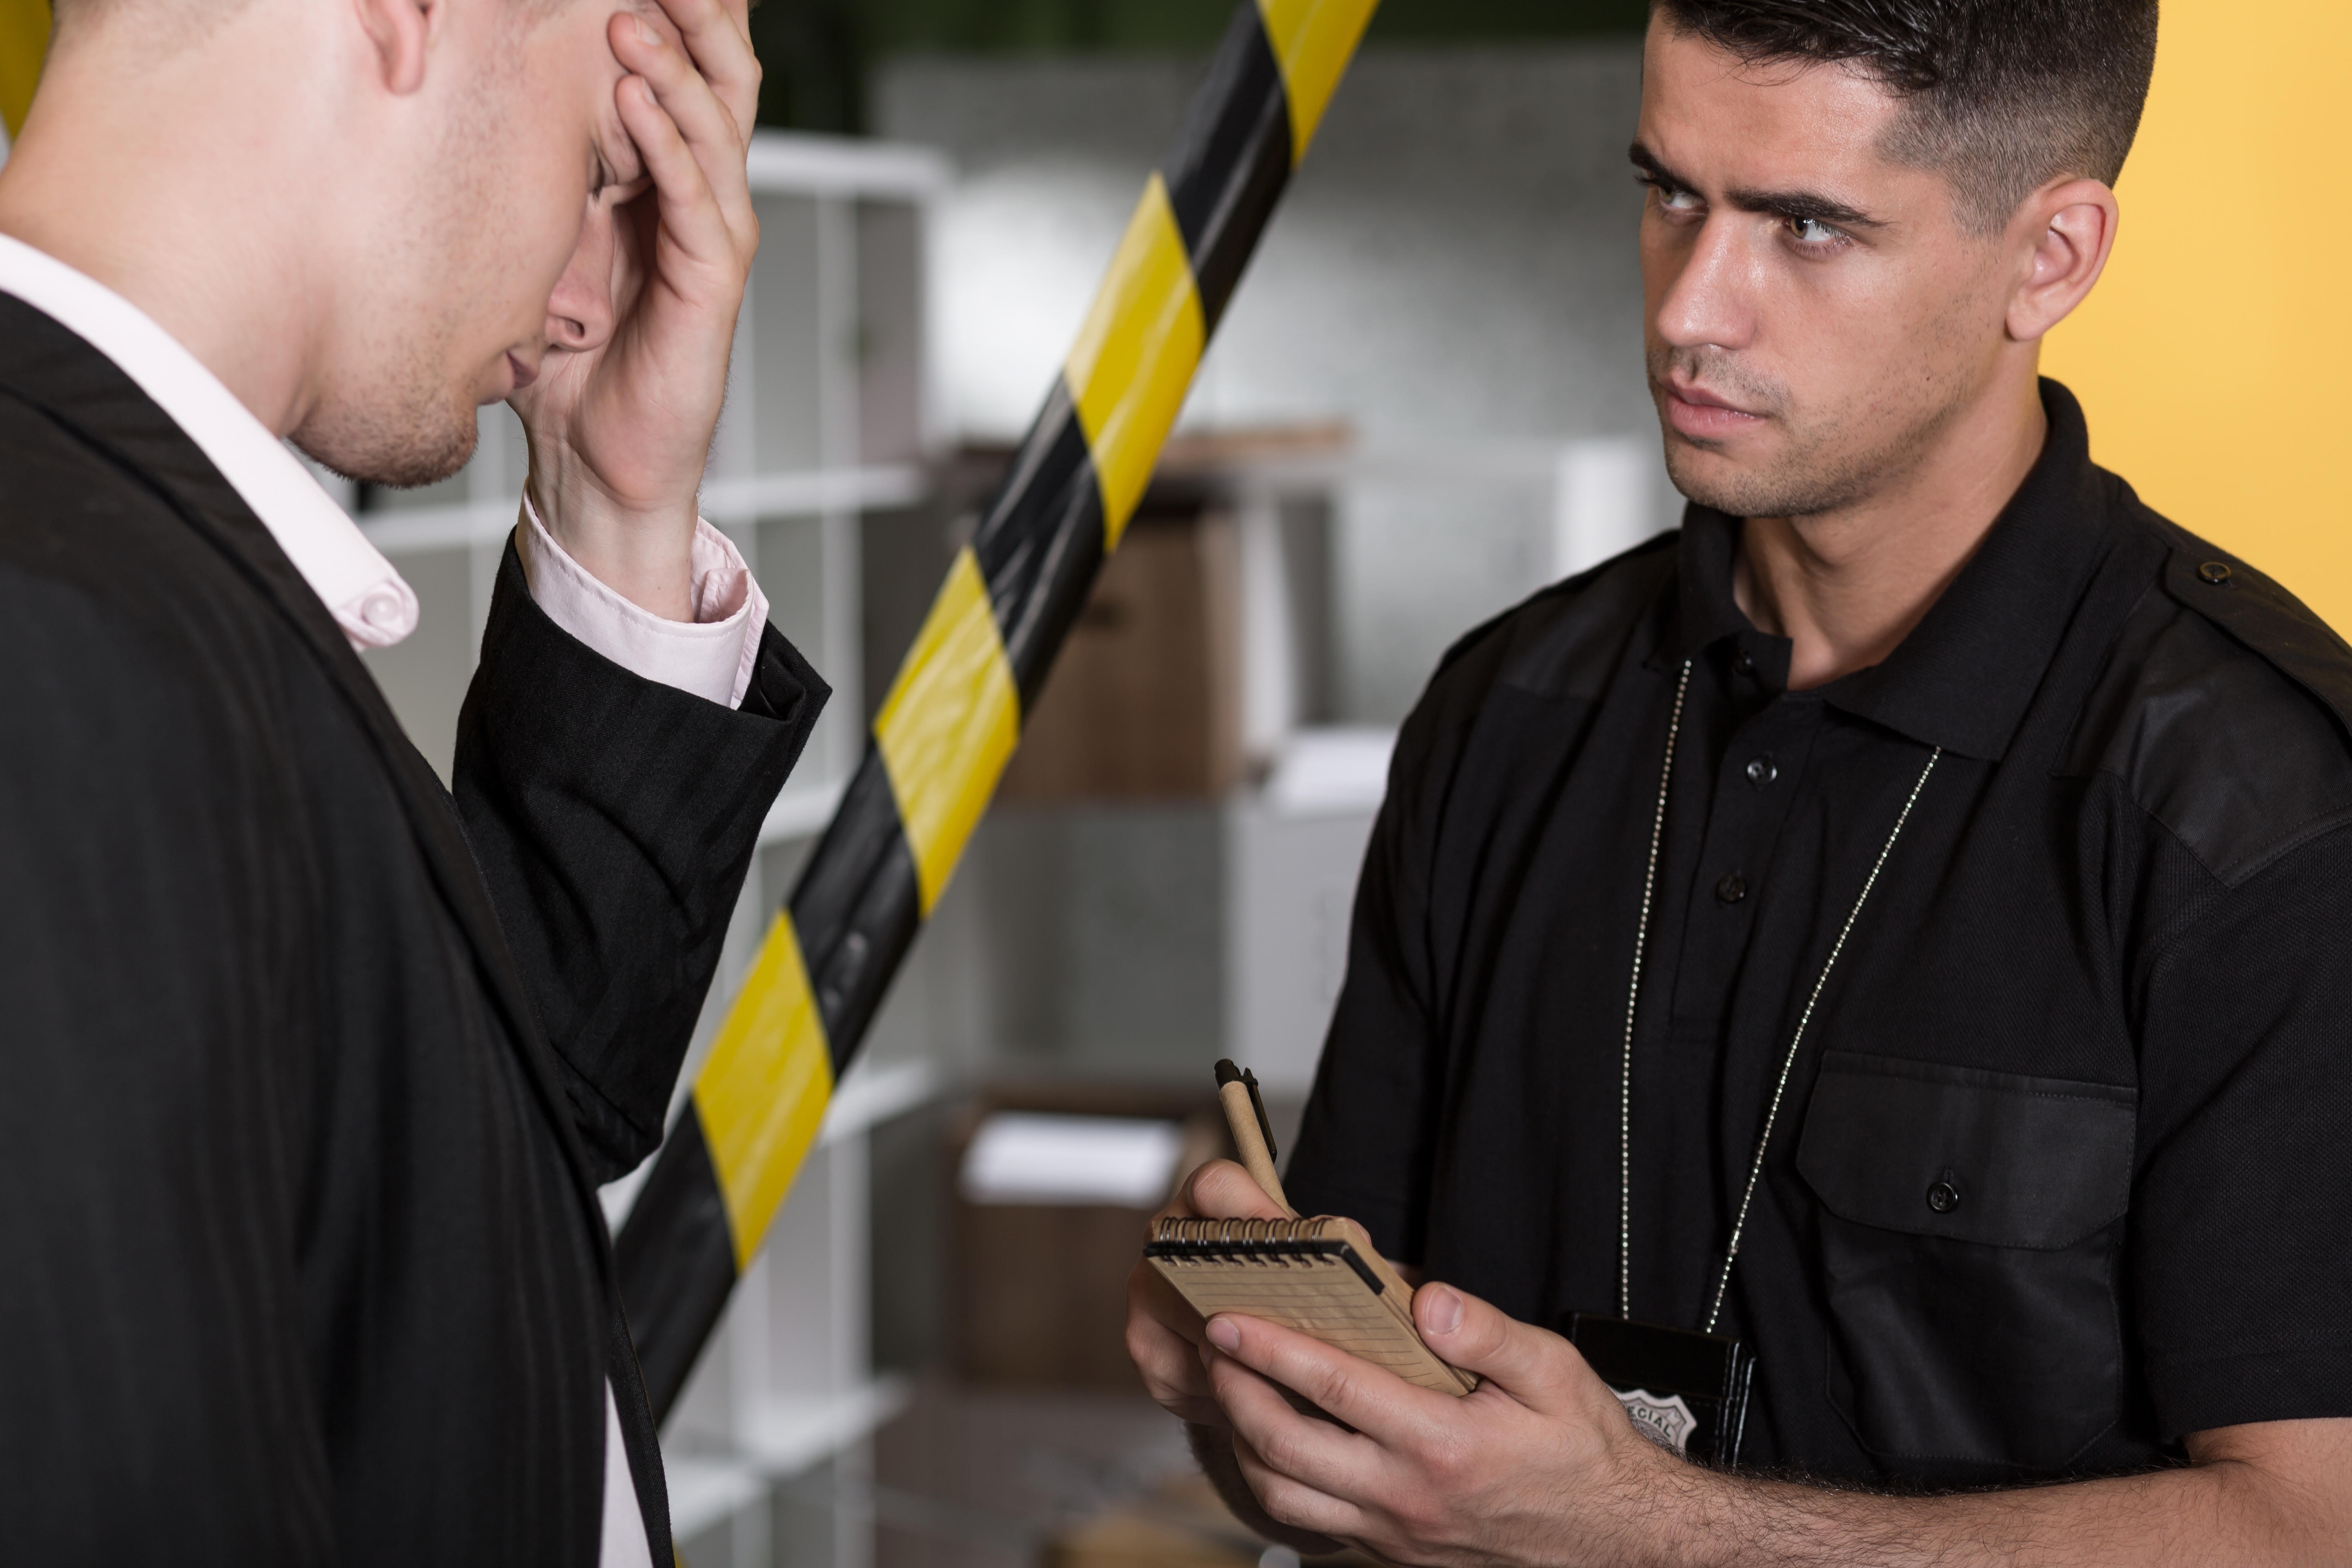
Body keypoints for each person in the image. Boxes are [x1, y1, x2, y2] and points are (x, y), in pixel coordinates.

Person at [1128, 0, 2352, 1561]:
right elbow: (1365, 1473)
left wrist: (1638, 1527)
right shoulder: (1506, 708)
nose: (1693, 307)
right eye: (1668, 194)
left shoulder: (2260, 810)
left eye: (1808, 227)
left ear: (2049, 259)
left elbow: (2314, 1527)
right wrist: (1241, 1376)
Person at [0, 0, 818, 1559]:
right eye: (595, 164)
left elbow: (450, 1174)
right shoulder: (51, 644)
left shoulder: (129, 571)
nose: (589, 305)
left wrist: (615, 500)